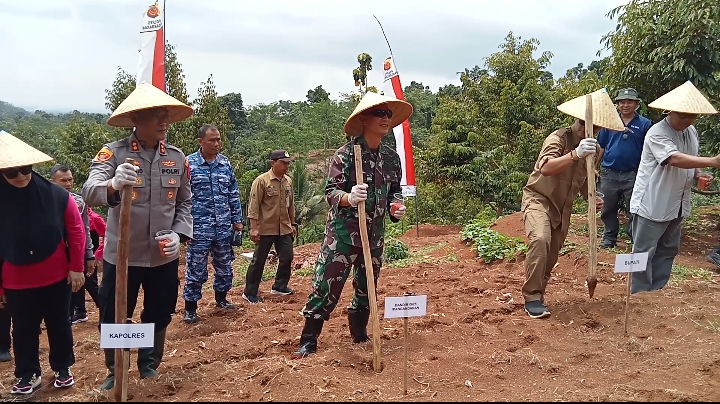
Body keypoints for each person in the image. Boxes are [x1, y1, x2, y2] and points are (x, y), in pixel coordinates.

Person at [82, 82, 194, 390]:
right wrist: (113, 185)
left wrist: (178, 233)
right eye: (156, 116)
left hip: (162, 255)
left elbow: (184, 201)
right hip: (123, 255)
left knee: (158, 311)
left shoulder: (175, 156)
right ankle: (116, 368)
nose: (163, 123)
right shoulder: (114, 154)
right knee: (115, 312)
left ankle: (148, 363)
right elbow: (89, 191)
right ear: (136, 121)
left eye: (165, 116)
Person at [292, 92, 412, 358]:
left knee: (367, 285)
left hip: (374, 236)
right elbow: (330, 192)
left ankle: (359, 333)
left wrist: (395, 207)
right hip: (343, 237)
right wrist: (348, 197)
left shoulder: (391, 158)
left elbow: (394, 191)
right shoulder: (345, 156)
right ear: (364, 119)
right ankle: (309, 339)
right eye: (380, 114)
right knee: (327, 285)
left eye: (388, 114)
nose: (385, 119)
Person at [520, 89, 622, 319]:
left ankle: (539, 293)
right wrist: (575, 154)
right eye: (582, 122)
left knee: (552, 254)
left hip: (563, 208)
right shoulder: (557, 139)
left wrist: (592, 197)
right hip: (538, 199)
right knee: (540, 239)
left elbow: (586, 180)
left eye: (594, 127)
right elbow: (545, 168)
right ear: (576, 119)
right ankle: (532, 297)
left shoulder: (595, 150)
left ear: (599, 129)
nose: (584, 128)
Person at [0, 130, 85, 394]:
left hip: (56, 274)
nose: (21, 176)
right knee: (24, 329)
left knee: (59, 323)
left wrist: (77, 267)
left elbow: (76, 230)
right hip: (15, 278)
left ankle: (62, 367)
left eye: (25, 169)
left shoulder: (56, 195)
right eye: (12, 172)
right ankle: (28, 374)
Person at [629, 81, 718, 294]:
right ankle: (639, 292)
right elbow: (673, 159)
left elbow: (691, 159)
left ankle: (657, 290)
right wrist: (713, 161)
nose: (688, 121)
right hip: (654, 201)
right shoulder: (657, 132)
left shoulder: (691, 131)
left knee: (668, 248)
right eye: (683, 116)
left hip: (677, 201)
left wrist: (700, 173)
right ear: (671, 112)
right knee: (643, 251)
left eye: (692, 116)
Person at [183, 124, 244, 323]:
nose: (217, 143)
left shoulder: (225, 163)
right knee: (196, 269)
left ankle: (222, 299)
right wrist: (182, 227)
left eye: (218, 139)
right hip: (198, 229)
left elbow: (233, 193)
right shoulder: (189, 164)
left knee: (225, 267)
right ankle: (190, 308)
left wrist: (237, 221)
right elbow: (180, 198)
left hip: (223, 227)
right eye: (212, 140)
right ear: (201, 142)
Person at [597, 88, 653, 248]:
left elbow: (649, 149)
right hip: (609, 172)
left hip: (633, 173)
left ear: (636, 104)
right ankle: (609, 237)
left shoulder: (645, 124)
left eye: (629, 102)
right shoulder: (609, 122)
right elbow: (601, 146)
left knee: (634, 208)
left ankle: (635, 239)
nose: (625, 105)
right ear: (617, 104)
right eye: (622, 102)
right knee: (608, 207)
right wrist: (594, 166)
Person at [242, 150, 297, 304]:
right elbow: (253, 206)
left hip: (284, 227)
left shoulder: (288, 181)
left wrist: (293, 224)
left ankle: (280, 286)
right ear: (273, 163)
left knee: (287, 257)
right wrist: (254, 228)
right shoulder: (261, 181)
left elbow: (291, 205)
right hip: (265, 228)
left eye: (288, 163)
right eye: (283, 163)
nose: (286, 166)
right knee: (259, 260)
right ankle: (250, 292)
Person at [49, 164, 99, 323]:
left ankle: (72, 318)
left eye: (70, 180)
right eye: (63, 180)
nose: (68, 184)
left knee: (82, 285)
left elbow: (85, 229)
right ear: (52, 181)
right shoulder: (43, 201)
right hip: (53, 254)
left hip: (77, 253)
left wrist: (89, 254)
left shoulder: (79, 202)